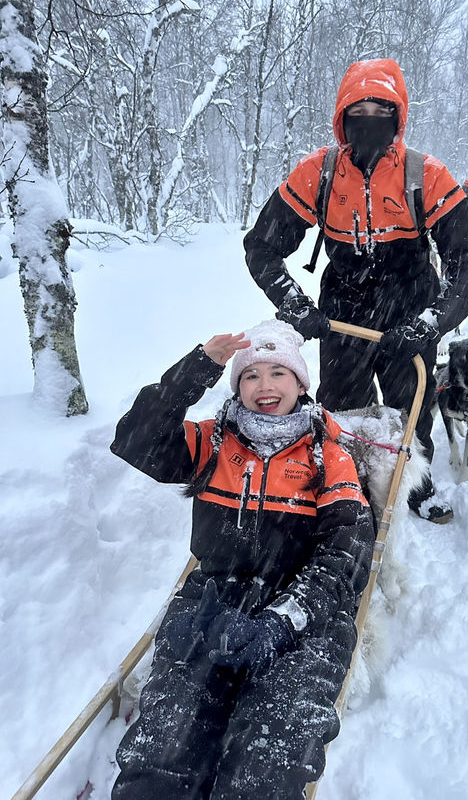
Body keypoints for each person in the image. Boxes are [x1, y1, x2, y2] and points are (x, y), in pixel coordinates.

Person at [109, 319, 374, 800]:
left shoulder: (326, 455)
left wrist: (284, 619)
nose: (265, 386)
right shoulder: (213, 443)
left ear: (300, 383)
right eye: (251, 375)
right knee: (164, 747)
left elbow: (348, 551)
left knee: (266, 761)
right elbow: (135, 439)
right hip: (211, 598)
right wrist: (197, 368)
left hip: (302, 617)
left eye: (279, 372)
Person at [243, 58, 468, 524]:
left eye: (381, 110)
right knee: (340, 408)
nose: (369, 120)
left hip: (410, 307)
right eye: (358, 110)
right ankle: (347, 484)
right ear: (341, 116)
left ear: (398, 116)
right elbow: (260, 246)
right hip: (343, 309)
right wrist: (295, 306)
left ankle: (417, 484)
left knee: (412, 408)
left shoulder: (426, 175)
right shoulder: (318, 174)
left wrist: (431, 321)